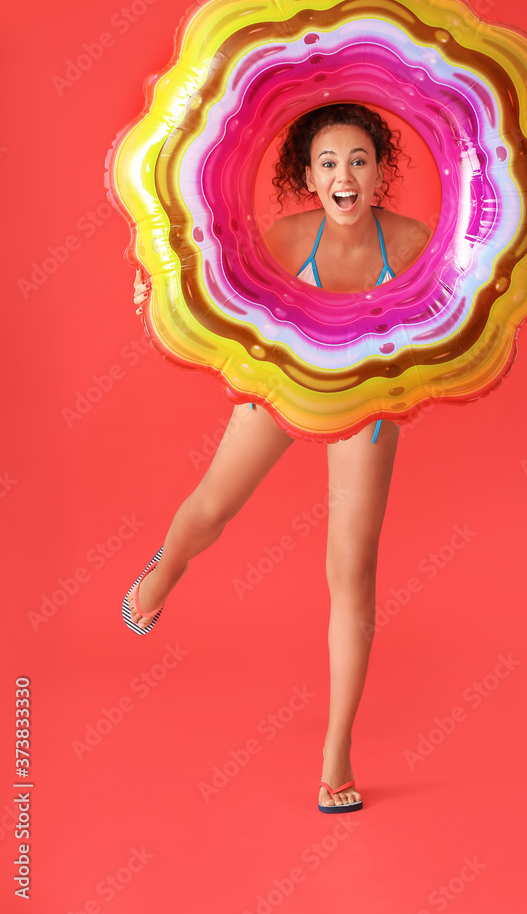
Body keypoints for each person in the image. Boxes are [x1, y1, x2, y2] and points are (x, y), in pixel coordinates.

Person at [123, 103, 431, 813]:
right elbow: (224, 294)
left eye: (358, 159)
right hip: (285, 385)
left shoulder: (413, 241)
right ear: (309, 177)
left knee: (352, 570)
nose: (343, 174)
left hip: (367, 402)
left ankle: (336, 755)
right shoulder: (292, 238)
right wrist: (157, 284)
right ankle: (162, 574)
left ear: (380, 172)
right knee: (210, 510)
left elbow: (463, 299)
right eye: (327, 163)